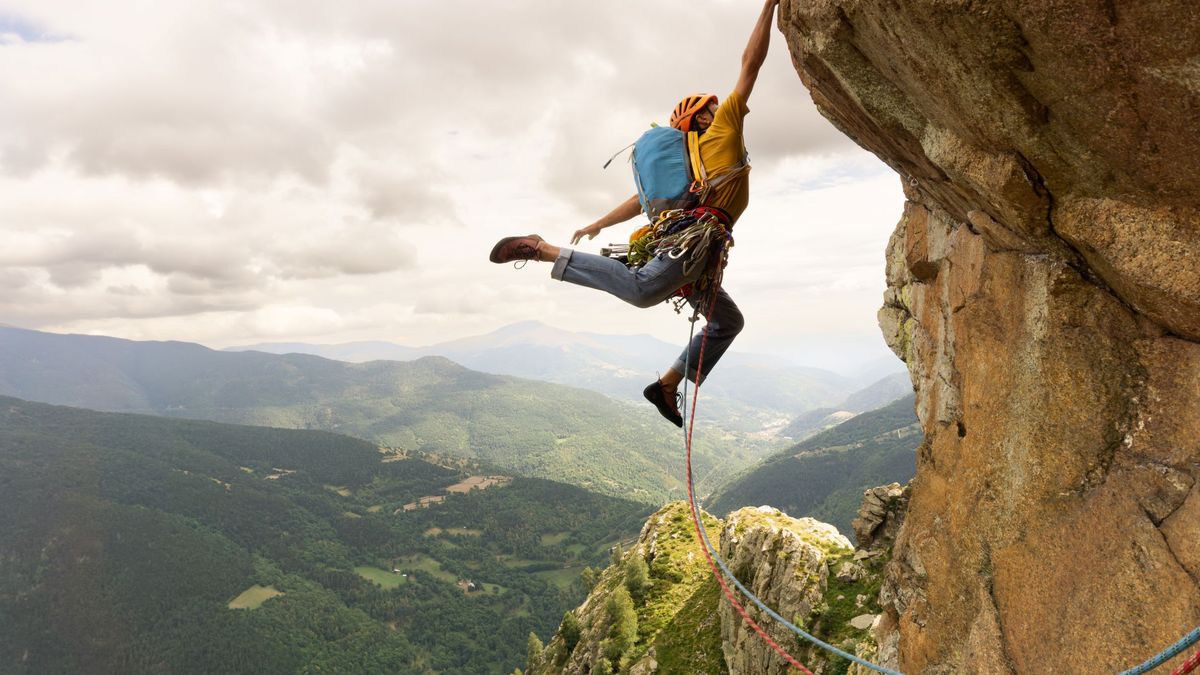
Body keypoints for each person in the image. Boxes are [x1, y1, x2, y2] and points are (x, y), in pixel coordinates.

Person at [490, 0, 779, 427]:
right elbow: (750, 64)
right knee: (643, 292)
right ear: (700, 117)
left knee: (728, 321)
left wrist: (597, 224)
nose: (720, 109)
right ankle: (543, 249)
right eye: (710, 108)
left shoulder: (691, 166)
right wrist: (769, 6)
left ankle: (665, 386)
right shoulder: (723, 130)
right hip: (694, 243)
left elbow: (636, 202)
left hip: (697, 249)